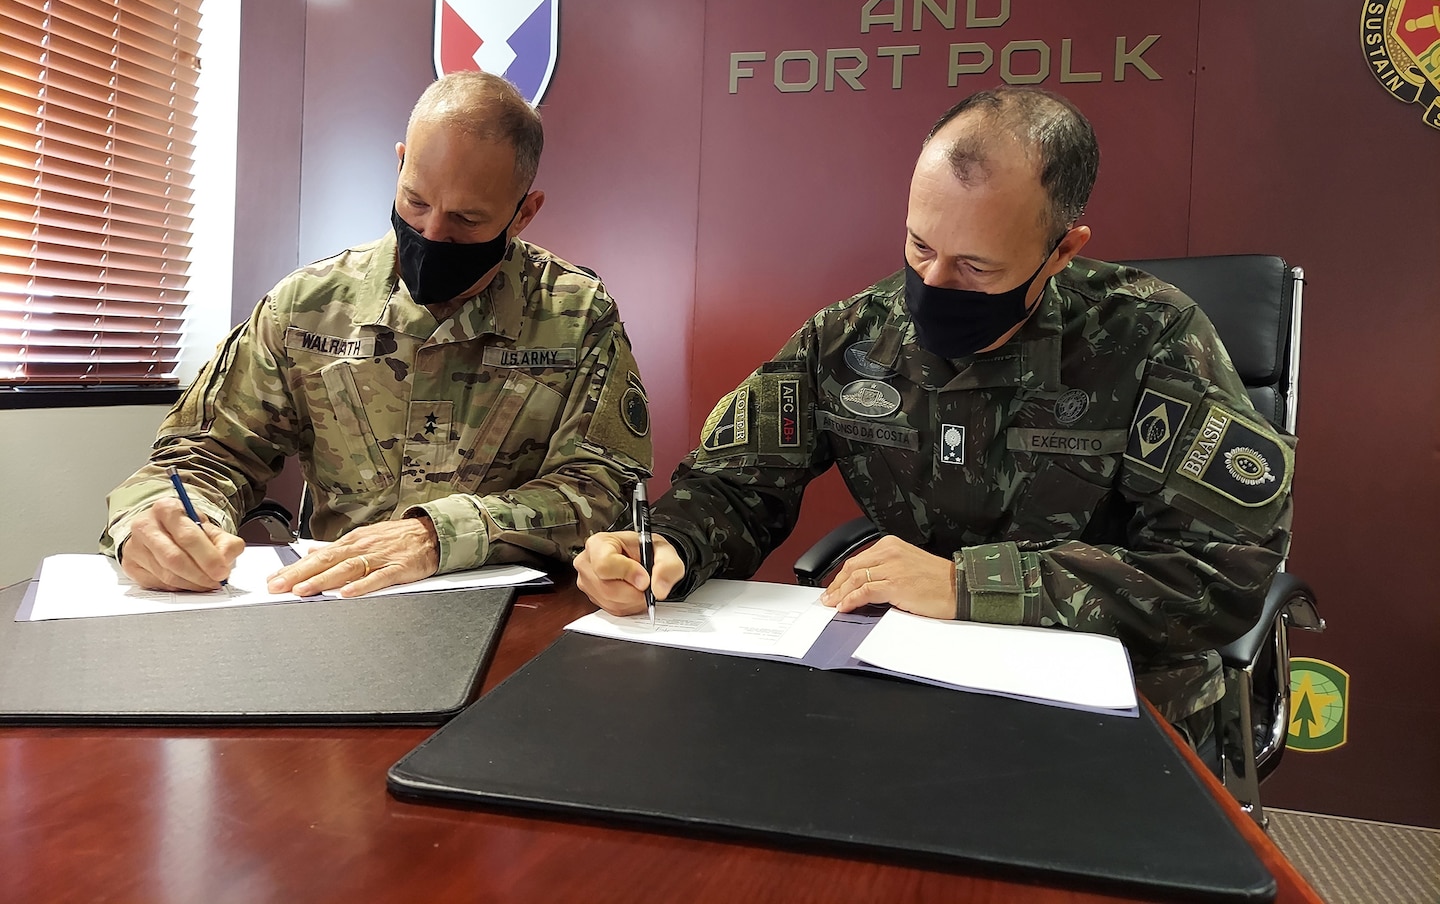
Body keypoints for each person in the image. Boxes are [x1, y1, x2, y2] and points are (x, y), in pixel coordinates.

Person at [575, 86, 1293, 736]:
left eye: (976, 267)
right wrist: (666, 545)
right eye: (920, 246)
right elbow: (736, 486)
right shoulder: (853, 335)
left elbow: (1217, 574)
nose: (932, 285)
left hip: (1112, 712)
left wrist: (969, 585)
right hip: (905, 692)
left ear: (1062, 250)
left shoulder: (1154, 341)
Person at [104, 71, 652, 598]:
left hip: (514, 610)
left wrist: (439, 536)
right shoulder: (307, 307)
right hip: (335, 604)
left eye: (467, 219)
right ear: (400, 164)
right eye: (415, 200)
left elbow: (602, 491)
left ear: (523, 213)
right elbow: (204, 453)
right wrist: (163, 521)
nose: (432, 232)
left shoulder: (577, 315)